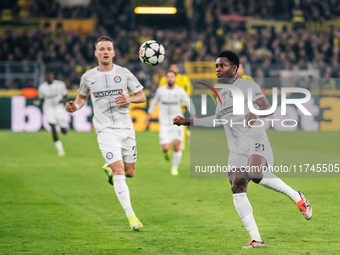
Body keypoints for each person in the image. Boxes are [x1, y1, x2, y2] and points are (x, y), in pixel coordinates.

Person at [173, 50, 312, 249]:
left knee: (255, 173)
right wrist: (188, 122)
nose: (218, 69)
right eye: (216, 66)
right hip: (236, 149)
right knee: (237, 187)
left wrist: (255, 113)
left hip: (256, 141)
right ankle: (256, 239)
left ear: (235, 68)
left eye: (222, 65)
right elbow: (217, 120)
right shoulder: (221, 95)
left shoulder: (248, 85)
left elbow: (267, 107)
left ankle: (298, 197)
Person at [65, 36, 145, 231]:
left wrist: (129, 99)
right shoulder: (88, 77)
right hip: (105, 130)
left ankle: (109, 171)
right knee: (120, 172)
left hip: (126, 128)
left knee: (130, 173)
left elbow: (141, 96)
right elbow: (82, 98)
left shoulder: (124, 73)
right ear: (96, 53)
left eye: (109, 48)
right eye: (101, 49)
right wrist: (75, 106)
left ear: (114, 52)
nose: (105, 52)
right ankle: (131, 216)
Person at [145, 70, 196, 176]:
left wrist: (193, 114)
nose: (170, 79)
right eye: (168, 77)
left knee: (177, 145)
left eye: (172, 77)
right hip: (164, 124)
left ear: (175, 78)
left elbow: (188, 102)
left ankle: (174, 168)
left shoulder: (180, 91)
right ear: (165, 78)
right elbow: (154, 102)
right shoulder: (161, 91)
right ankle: (166, 152)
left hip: (177, 123)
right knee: (165, 148)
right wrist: (149, 114)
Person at [34, 72, 68, 156]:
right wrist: (38, 102)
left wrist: (62, 100)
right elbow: (41, 99)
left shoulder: (60, 85)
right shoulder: (42, 87)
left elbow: (65, 95)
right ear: (46, 78)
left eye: (51, 76)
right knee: (52, 126)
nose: (50, 78)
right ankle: (60, 149)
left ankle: (63, 126)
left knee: (64, 131)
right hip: (48, 108)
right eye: (49, 77)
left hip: (58, 107)